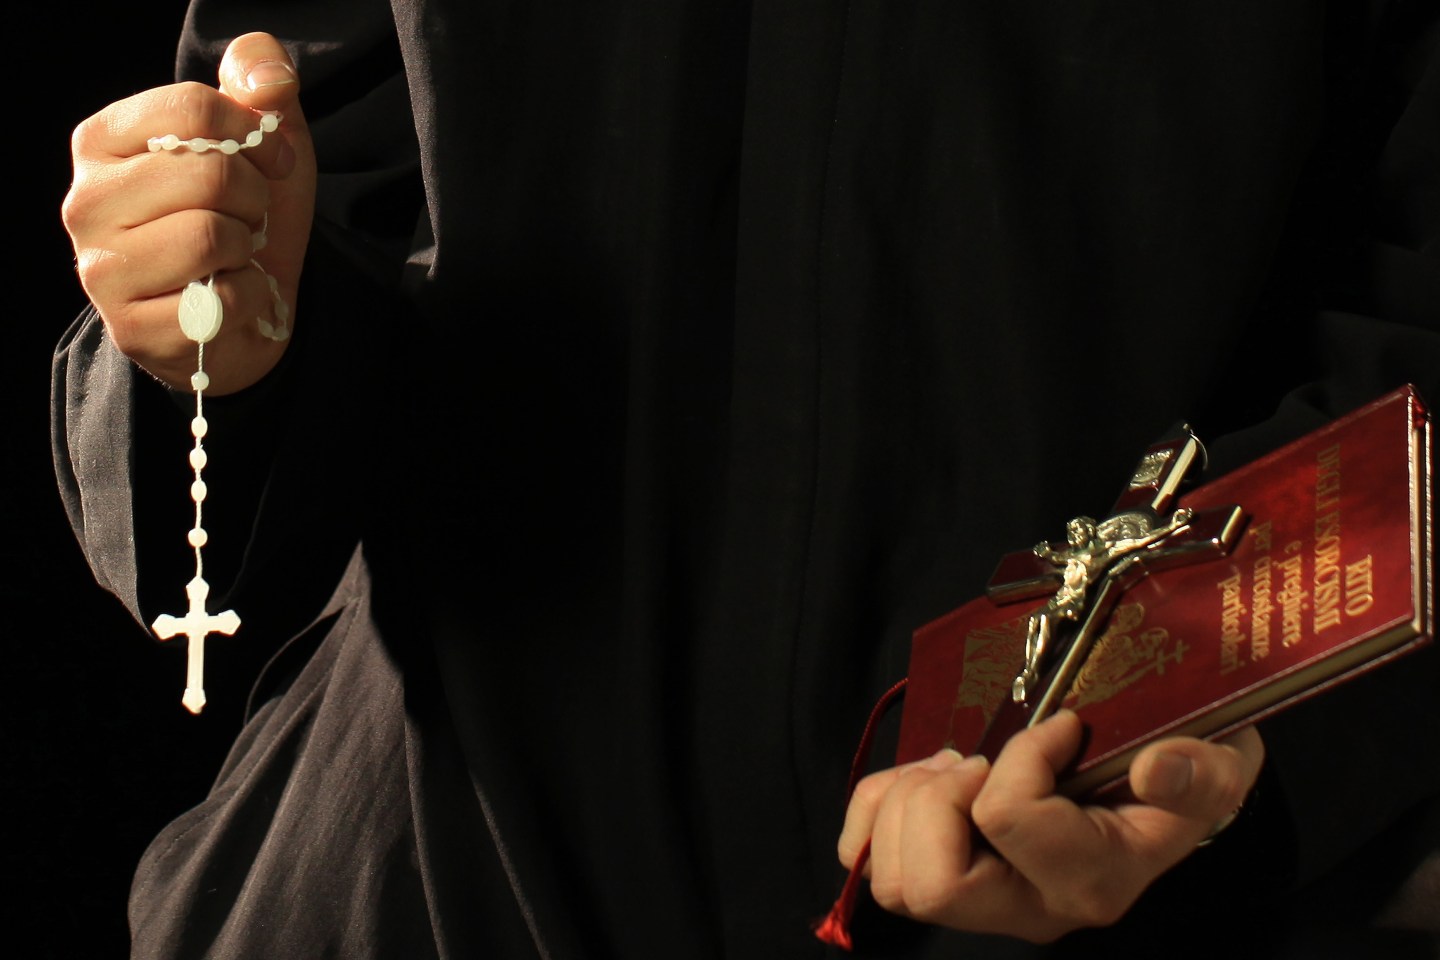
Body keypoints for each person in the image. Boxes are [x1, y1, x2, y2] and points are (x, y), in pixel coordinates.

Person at [56, 3, 1439, 957]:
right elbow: (315, 207)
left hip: (1111, 881)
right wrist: (213, 320)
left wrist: (1167, 718)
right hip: (414, 881)